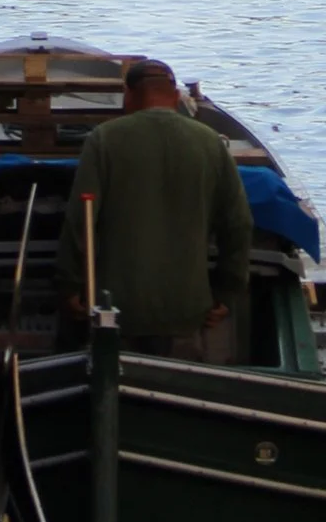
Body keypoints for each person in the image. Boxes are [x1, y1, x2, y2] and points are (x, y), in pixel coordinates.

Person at [62, 58, 252, 359]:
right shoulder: (211, 143)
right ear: (176, 97)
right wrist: (227, 292)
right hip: (189, 310)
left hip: (116, 309)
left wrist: (70, 287)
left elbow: (80, 221)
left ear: (129, 95)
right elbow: (238, 224)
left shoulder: (104, 139)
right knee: (180, 392)